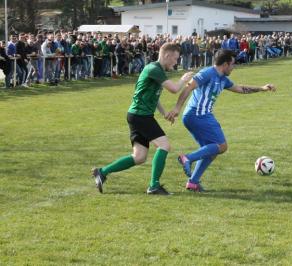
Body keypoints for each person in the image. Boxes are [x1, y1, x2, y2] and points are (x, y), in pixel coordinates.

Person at [166, 49, 276, 192]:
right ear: (225, 64)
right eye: (232, 64)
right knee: (221, 146)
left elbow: (241, 89)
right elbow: (188, 88)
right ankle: (188, 158)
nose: (233, 67)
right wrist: (177, 107)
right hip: (198, 115)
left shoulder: (222, 79)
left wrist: (262, 88)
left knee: (211, 151)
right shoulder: (207, 73)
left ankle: (193, 182)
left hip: (199, 116)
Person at [92, 43, 193, 195]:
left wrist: (164, 112)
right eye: (175, 58)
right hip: (140, 116)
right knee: (164, 146)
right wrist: (183, 80)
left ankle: (102, 172)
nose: (176, 62)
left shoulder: (156, 70)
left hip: (138, 115)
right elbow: (173, 89)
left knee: (139, 157)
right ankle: (154, 185)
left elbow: (153, 96)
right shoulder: (154, 69)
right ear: (167, 55)